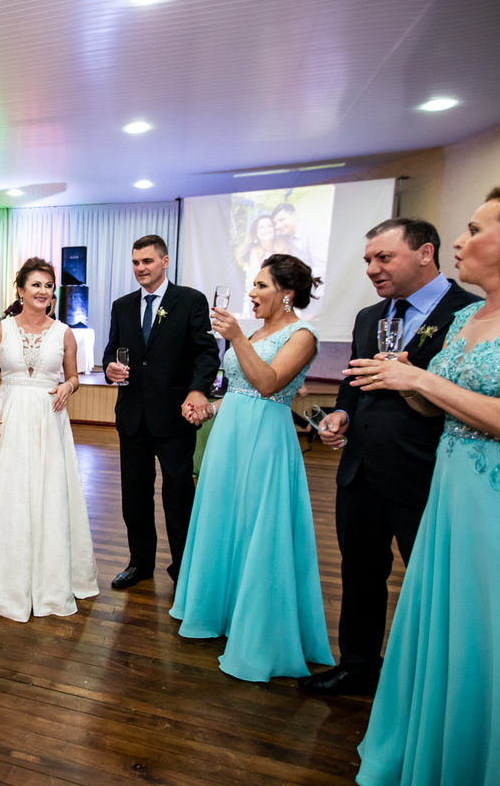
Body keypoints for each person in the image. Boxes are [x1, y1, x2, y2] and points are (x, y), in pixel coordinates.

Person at [345, 183, 500, 785]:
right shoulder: (470, 316)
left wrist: (427, 384)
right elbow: (438, 412)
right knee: (452, 630)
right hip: (453, 495)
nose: (460, 242)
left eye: (473, 231)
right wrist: (410, 382)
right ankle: (442, 748)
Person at [298, 218, 480, 697]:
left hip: (427, 469)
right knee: (359, 573)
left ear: (425, 253)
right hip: (360, 468)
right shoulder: (367, 317)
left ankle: (432, 681)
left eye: (384, 258)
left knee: (432, 581)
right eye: (367, 261)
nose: (372, 269)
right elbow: (355, 384)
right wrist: (341, 416)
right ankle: (357, 666)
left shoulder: (469, 313)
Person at [170, 254, 333, 681]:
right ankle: (218, 613)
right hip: (229, 437)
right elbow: (241, 392)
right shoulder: (259, 331)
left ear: (287, 293)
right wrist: (210, 406)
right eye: (253, 285)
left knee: (259, 526)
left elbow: (268, 384)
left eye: (261, 286)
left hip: (266, 440)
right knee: (225, 521)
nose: (252, 293)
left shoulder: (304, 334)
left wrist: (238, 337)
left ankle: (258, 630)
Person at [0, 258, 98, 621]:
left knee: (48, 493)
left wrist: (67, 385)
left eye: (49, 286)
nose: (44, 291)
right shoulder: (1, 330)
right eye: (36, 285)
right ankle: (0, 577)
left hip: (49, 418)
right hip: (9, 414)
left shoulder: (64, 332)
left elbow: (74, 377)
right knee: (7, 491)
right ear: (20, 290)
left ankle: (49, 580)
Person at [102, 234, 220, 589]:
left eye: (147, 261)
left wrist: (198, 390)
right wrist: (109, 368)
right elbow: (112, 352)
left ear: (164, 262)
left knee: (178, 495)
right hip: (133, 416)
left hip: (175, 416)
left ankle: (184, 568)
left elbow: (206, 352)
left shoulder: (189, 300)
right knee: (134, 496)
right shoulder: (122, 305)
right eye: (136, 262)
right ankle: (140, 563)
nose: (140, 268)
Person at [273, 203, 328, 283]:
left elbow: (321, 268)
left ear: (294, 215)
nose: (277, 226)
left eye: (281, 220)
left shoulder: (313, 232)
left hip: (317, 287)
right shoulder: (282, 236)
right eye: (275, 223)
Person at [237, 214, 290, 285]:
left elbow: (288, 270)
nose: (266, 230)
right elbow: (259, 278)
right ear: (256, 232)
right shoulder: (255, 251)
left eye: (269, 226)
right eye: (262, 227)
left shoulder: (281, 244)